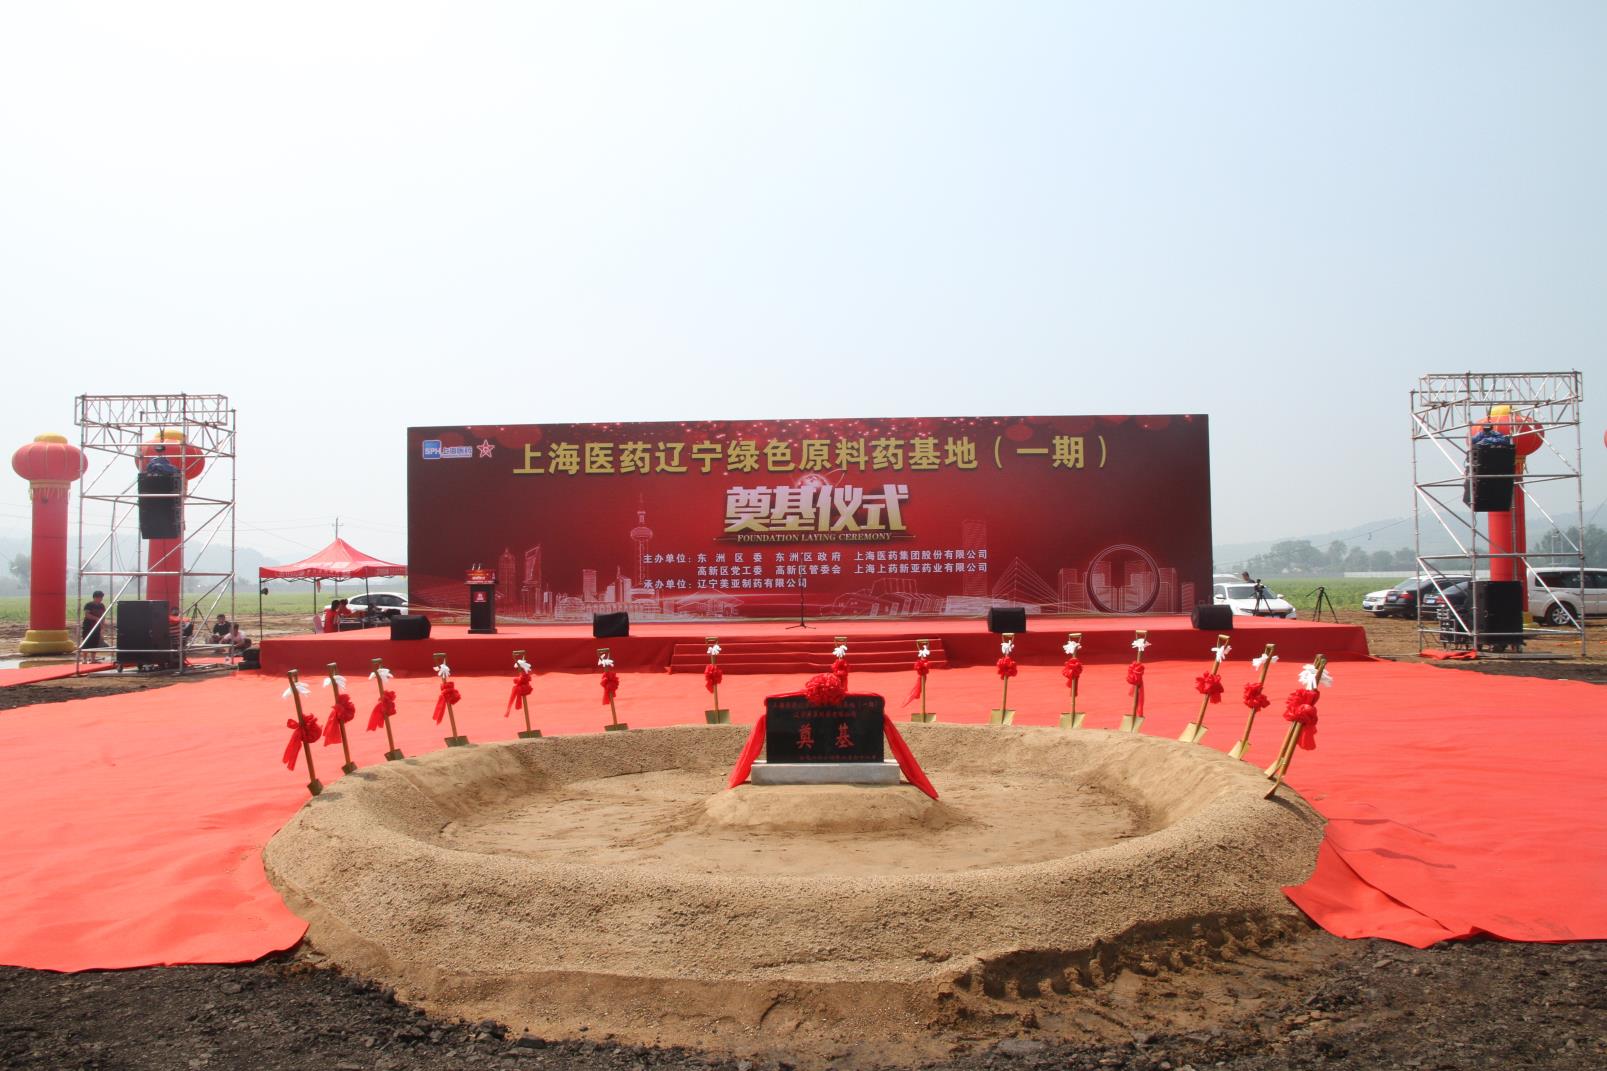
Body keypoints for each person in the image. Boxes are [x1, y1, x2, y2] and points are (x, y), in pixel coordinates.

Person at [80, 591, 109, 661]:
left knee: (95, 642)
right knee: (86, 641)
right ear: (95, 597)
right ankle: (84, 659)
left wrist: (102, 623)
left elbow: (103, 615)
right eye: (100, 598)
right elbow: (87, 615)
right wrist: (96, 618)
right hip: (88, 626)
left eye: (102, 598)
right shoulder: (89, 605)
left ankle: (93, 659)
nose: (101, 599)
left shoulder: (101, 606)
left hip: (97, 627)